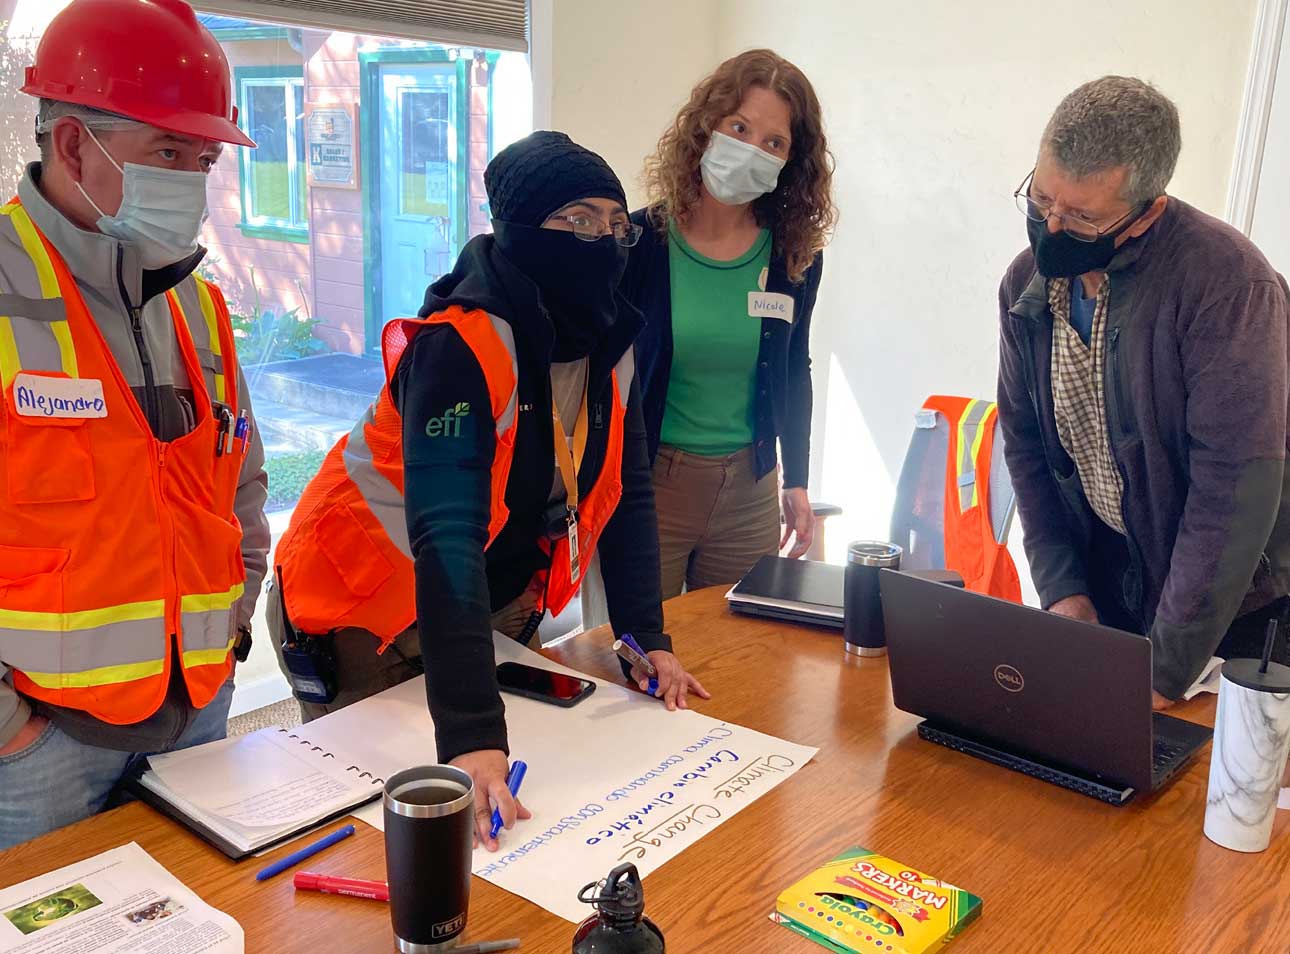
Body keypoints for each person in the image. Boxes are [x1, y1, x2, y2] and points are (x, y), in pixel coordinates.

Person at [270, 131, 709, 851]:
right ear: (518, 231)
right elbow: (446, 543)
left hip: (492, 603)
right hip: (363, 612)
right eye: (577, 220)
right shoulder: (457, 347)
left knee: (511, 830)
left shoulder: (612, 341)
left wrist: (644, 638)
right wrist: (471, 732)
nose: (602, 238)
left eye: (614, 221)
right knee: (398, 833)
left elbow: (626, 494)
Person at [0, 0, 269, 848]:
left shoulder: (199, 303)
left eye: (203, 158)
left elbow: (244, 490)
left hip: (197, 713)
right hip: (41, 748)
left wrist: (228, 636)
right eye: (167, 153)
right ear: (74, 144)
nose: (192, 182)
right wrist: (9, 728)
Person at [997, 76, 1290, 707]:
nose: (1051, 225)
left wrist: (1165, 670)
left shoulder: (1229, 287)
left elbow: (1233, 492)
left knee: (1214, 795)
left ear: (1148, 211)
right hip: (1111, 579)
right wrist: (1063, 588)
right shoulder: (1026, 287)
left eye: (1081, 216)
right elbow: (1025, 446)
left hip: (1237, 608)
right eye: (1042, 197)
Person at [621, 49, 835, 599]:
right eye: (739, 127)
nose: (750, 150)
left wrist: (799, 479)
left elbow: (794, 367)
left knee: (740, 657)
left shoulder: (793, 256)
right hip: (650, 488)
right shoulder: (639, 243)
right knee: (644, 660)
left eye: (774, 142)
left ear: (792, 161)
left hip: (750, 488)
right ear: (706, 125)